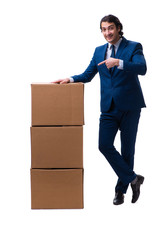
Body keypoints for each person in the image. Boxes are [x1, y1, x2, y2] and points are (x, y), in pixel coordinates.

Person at [53, 14, 147, 205]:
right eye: (104, 29)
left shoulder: (133, 46)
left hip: (130, 107)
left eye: (110, 28)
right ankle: (134, 179)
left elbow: (142, 68)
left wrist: (119, 63)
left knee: (127, 151)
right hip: (108, 108)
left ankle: (120, 191)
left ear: (118, 28)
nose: (107, 33)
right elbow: (88, 74)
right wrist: (70, 79)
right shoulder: (98, 52)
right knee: (104, 145)